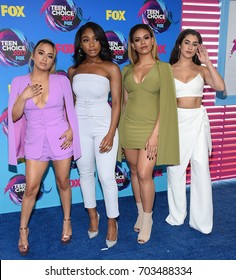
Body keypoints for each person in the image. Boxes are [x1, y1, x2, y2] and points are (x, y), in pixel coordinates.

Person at [8, 39, 81, 256]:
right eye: (41, 53)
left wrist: (71, 130)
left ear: (53, 60)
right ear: (32, 55)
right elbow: (14, 115)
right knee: (30, 188)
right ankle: (23, 230)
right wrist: (24, 96)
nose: (44, 59)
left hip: (61, 139)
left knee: (64, 182)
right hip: (34, 142)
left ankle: (67, 221)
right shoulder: (19, 81)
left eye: (50, 56)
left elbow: (71, 109)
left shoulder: (62, 82)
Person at [118, 24, 180, 244]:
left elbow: (166, 104)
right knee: (134, 172)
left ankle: (148, 219)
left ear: (153, 40)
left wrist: (155, 135)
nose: (142, 42)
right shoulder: (125, 70)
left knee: (145, 174)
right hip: (128, 128)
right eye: (137, 39)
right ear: (132, 44)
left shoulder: (164, 68)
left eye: (146, 37)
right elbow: (125, 103)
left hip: (151, 129)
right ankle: (139, 213)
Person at [166, 29, 225, 234]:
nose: (190, 47)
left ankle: (201, 221)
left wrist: (207, 61)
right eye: (187, 42)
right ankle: (177, 215)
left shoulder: (201, 70)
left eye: (195, 43)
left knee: (201, 170)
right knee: (175, 170)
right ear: (179, 45)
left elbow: (220, 86)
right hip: (176, 122)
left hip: (198, 121)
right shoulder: (167, 70)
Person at [68, 22, 121, 248]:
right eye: (86, 40)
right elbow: (71, 104)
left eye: (95, 39)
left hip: (104, 126)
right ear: (80, 44)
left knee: (107, 177)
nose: (91, 44)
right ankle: (93, 216)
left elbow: (117, 103)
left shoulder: (111, 68)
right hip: (80, 127)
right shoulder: (73, 71)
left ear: (102, 41)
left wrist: (110, 133)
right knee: (85, 173)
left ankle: (112, 221)